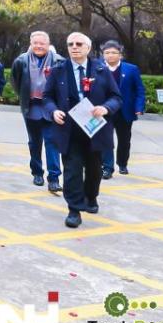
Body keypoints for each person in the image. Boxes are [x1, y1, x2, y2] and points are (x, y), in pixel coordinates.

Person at [49, 33, 122, 228]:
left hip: (94, 129)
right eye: (70, 44)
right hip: (69, 128)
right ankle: (74, 209)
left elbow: (116, 97)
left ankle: (91, 196)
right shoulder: (58, 70)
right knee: (72, 170)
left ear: (88, 48)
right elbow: (47, 97)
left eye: (79, 44)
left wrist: (105, 108)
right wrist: (53, 111)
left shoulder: (101, 70)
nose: (74, 47)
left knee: (93, 169)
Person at [11, 31, 63, 193]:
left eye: (42, 43)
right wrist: (25, 96)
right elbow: (15, 82)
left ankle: (54, 178)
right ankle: (37, 172)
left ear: (48, 45)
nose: (39, 46)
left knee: (52, 141)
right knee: (34, 142)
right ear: (31, 44)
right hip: (31, 106)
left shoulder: (59, 61)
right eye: (36, 43)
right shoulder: (21, 61)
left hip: (51, 107)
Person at [99, 40, 146, 177]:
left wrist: (139, 107)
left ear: (120, 55)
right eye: (107, 53)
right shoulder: (98, 68)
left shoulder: (131, 69)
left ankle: (122, 163)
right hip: (104, 110)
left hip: (125, 110)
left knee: (124, 139)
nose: (110, 55)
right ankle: (107, 167)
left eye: (114, 52)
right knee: (106, 139)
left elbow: (139, 90)